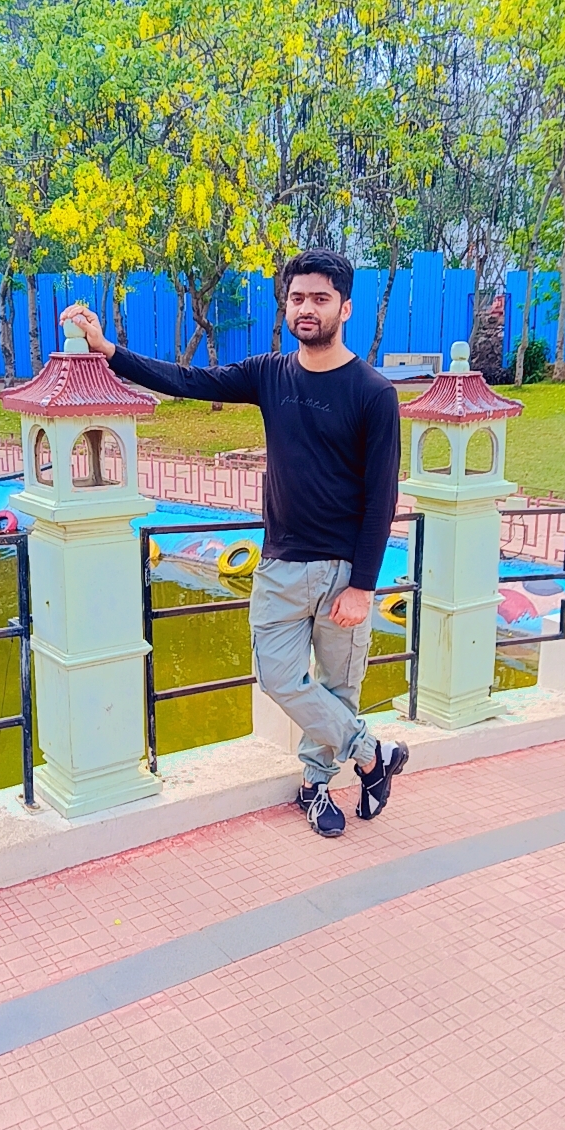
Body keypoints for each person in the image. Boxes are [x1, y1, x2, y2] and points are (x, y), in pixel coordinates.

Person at [60, 248, 408, 838]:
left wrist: (363, 587)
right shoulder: (269, 373)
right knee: (278, 678)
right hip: (280, 564)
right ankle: (373, 754)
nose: (306, 308)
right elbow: (188, 381)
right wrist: (109, 351)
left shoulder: (373, 393)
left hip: (342, 572)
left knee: (337, 688)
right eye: (297, 298)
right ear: (286, 305)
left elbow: (382, 497)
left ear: (345, 308)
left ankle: (316, 785)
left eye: (320, 298)